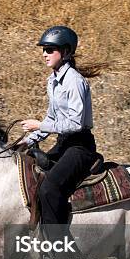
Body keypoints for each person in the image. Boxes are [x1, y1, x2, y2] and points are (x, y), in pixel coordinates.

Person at [20, 25, 101, 228]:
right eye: (43, 50)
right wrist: (25, 141)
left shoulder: (74, 81)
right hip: (64, 144)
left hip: (80, 147)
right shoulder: (53, 80)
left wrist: (40, 124)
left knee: (49, 188)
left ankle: (56, 249)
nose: (45, 54)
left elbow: (75, 123)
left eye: (50, 50)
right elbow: (51, 118)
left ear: (65, 52)